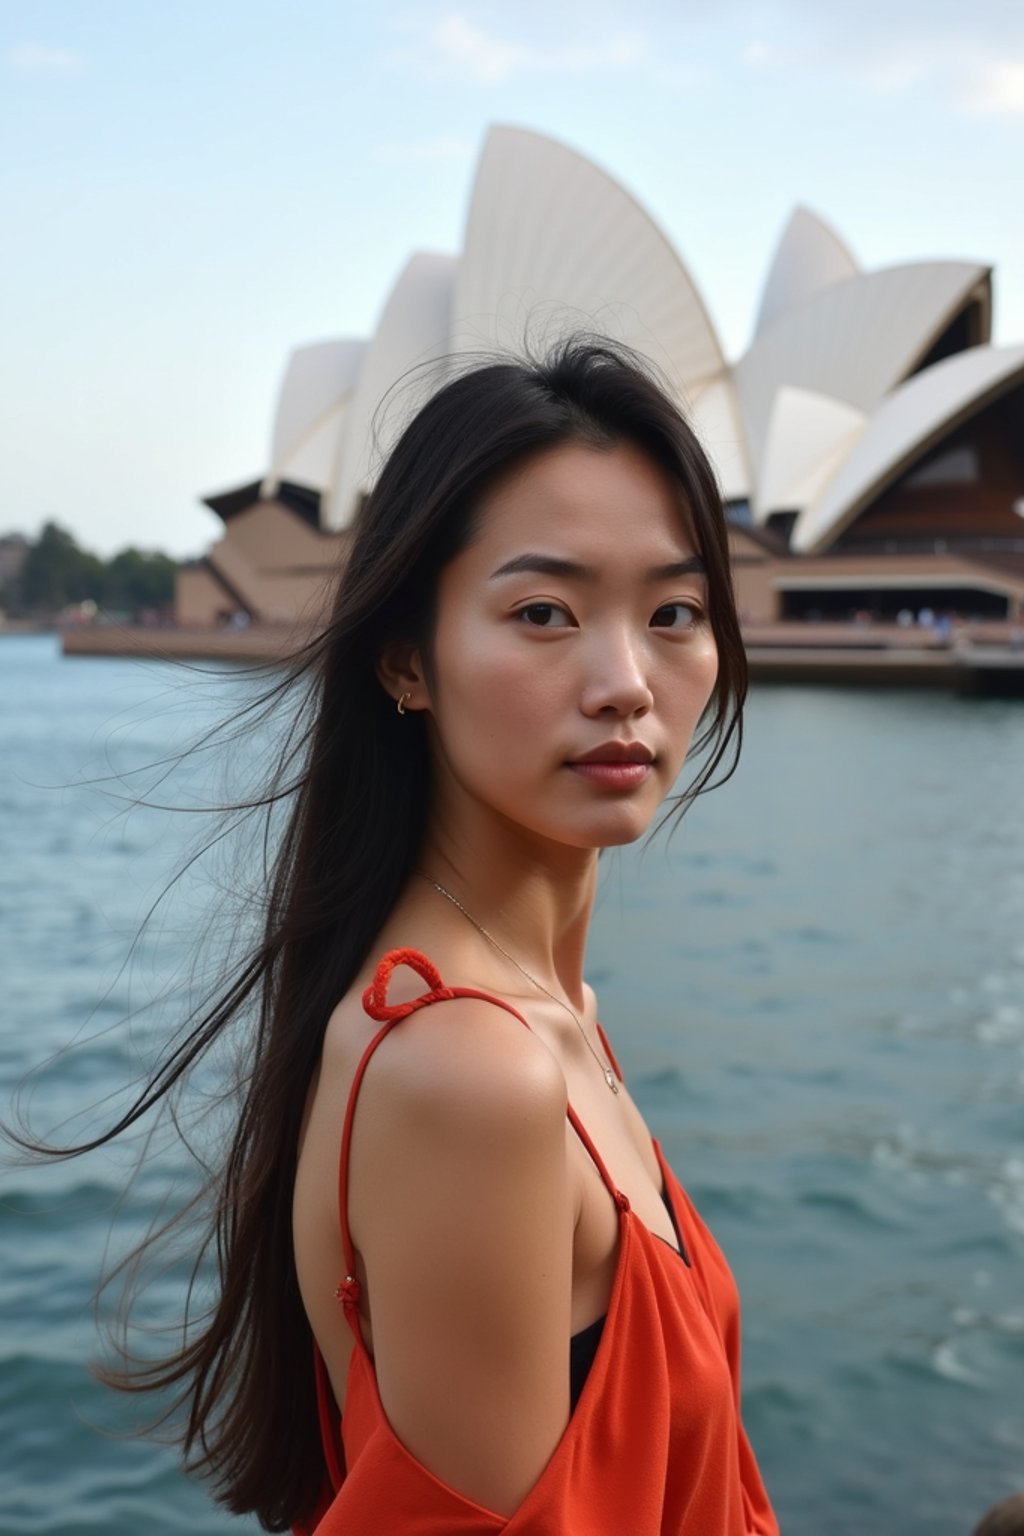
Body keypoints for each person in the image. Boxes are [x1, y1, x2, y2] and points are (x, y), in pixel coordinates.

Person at [23, 337, 778, 1534]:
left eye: (675, 611)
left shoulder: (548, 1018)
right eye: (545, 612)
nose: (627, 680)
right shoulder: (472, 1071)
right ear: (404, 661)